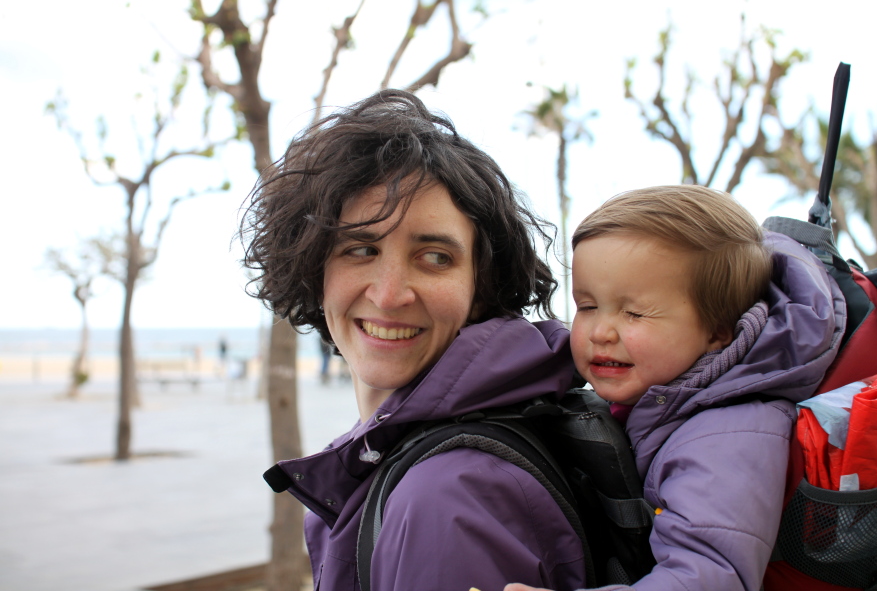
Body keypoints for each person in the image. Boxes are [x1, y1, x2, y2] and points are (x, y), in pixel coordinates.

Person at [241, 90, 586, 591]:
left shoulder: (445, 499)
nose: (389, 295)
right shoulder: (404, 458)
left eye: (436, 258)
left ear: (482, 287)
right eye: (361, 249)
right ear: (314, 269)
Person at [506, 185, 845, 591]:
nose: (600, 332)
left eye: (634, 313)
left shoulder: (725, 436)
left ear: (718, 331)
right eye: (588, 306)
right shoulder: (657, 400)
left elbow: (708, 577)